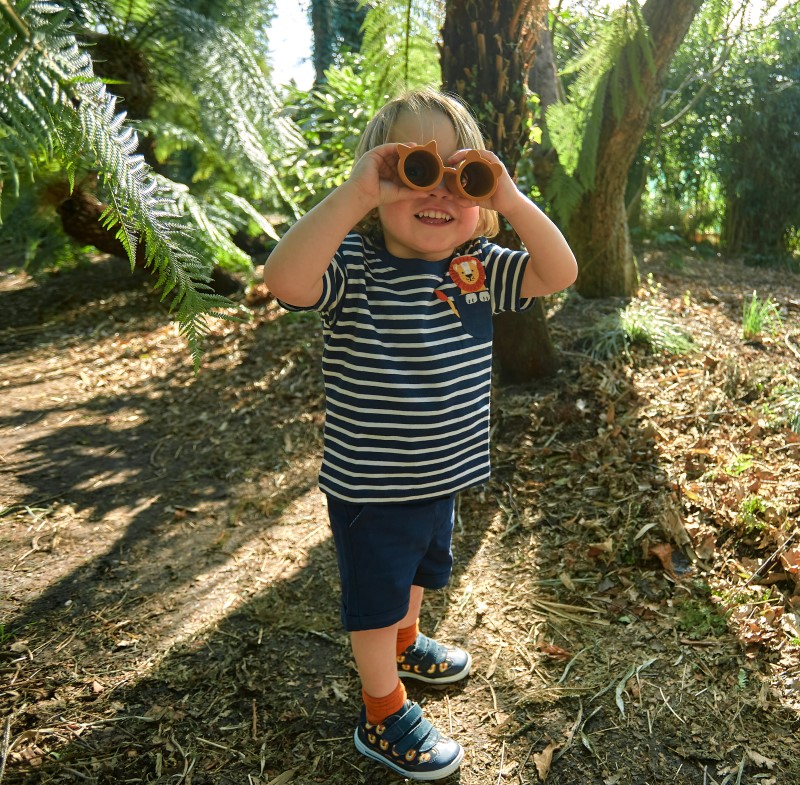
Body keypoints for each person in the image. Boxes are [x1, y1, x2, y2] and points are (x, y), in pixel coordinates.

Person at [263, 87, 577, 780]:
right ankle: (382, 708)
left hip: (445, 473)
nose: (438, 191)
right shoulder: (355, 268)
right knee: (376, 600)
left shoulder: (476, 268)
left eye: (460, 175)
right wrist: (354, 196)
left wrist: (511, 201)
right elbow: (284, 279)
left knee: (420, 575)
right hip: (373, 487)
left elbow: (559, 271)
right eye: (413, 169)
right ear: (380, 180)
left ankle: (406, 641)